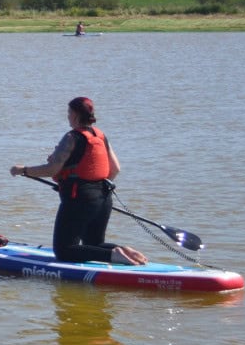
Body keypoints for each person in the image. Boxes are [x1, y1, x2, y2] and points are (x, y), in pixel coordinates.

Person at [10, 96, 147, 265]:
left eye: (68, 113)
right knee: (94, 244)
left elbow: (51, 169)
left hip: (79, 200)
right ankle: (126, 252)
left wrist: (23, 170)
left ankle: (114, 255)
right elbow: (115, 168)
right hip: (104, 198)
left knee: (64, 251)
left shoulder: (72, 137)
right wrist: (92, 187)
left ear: (75, 115)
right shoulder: (100, 135)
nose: (67, 117)